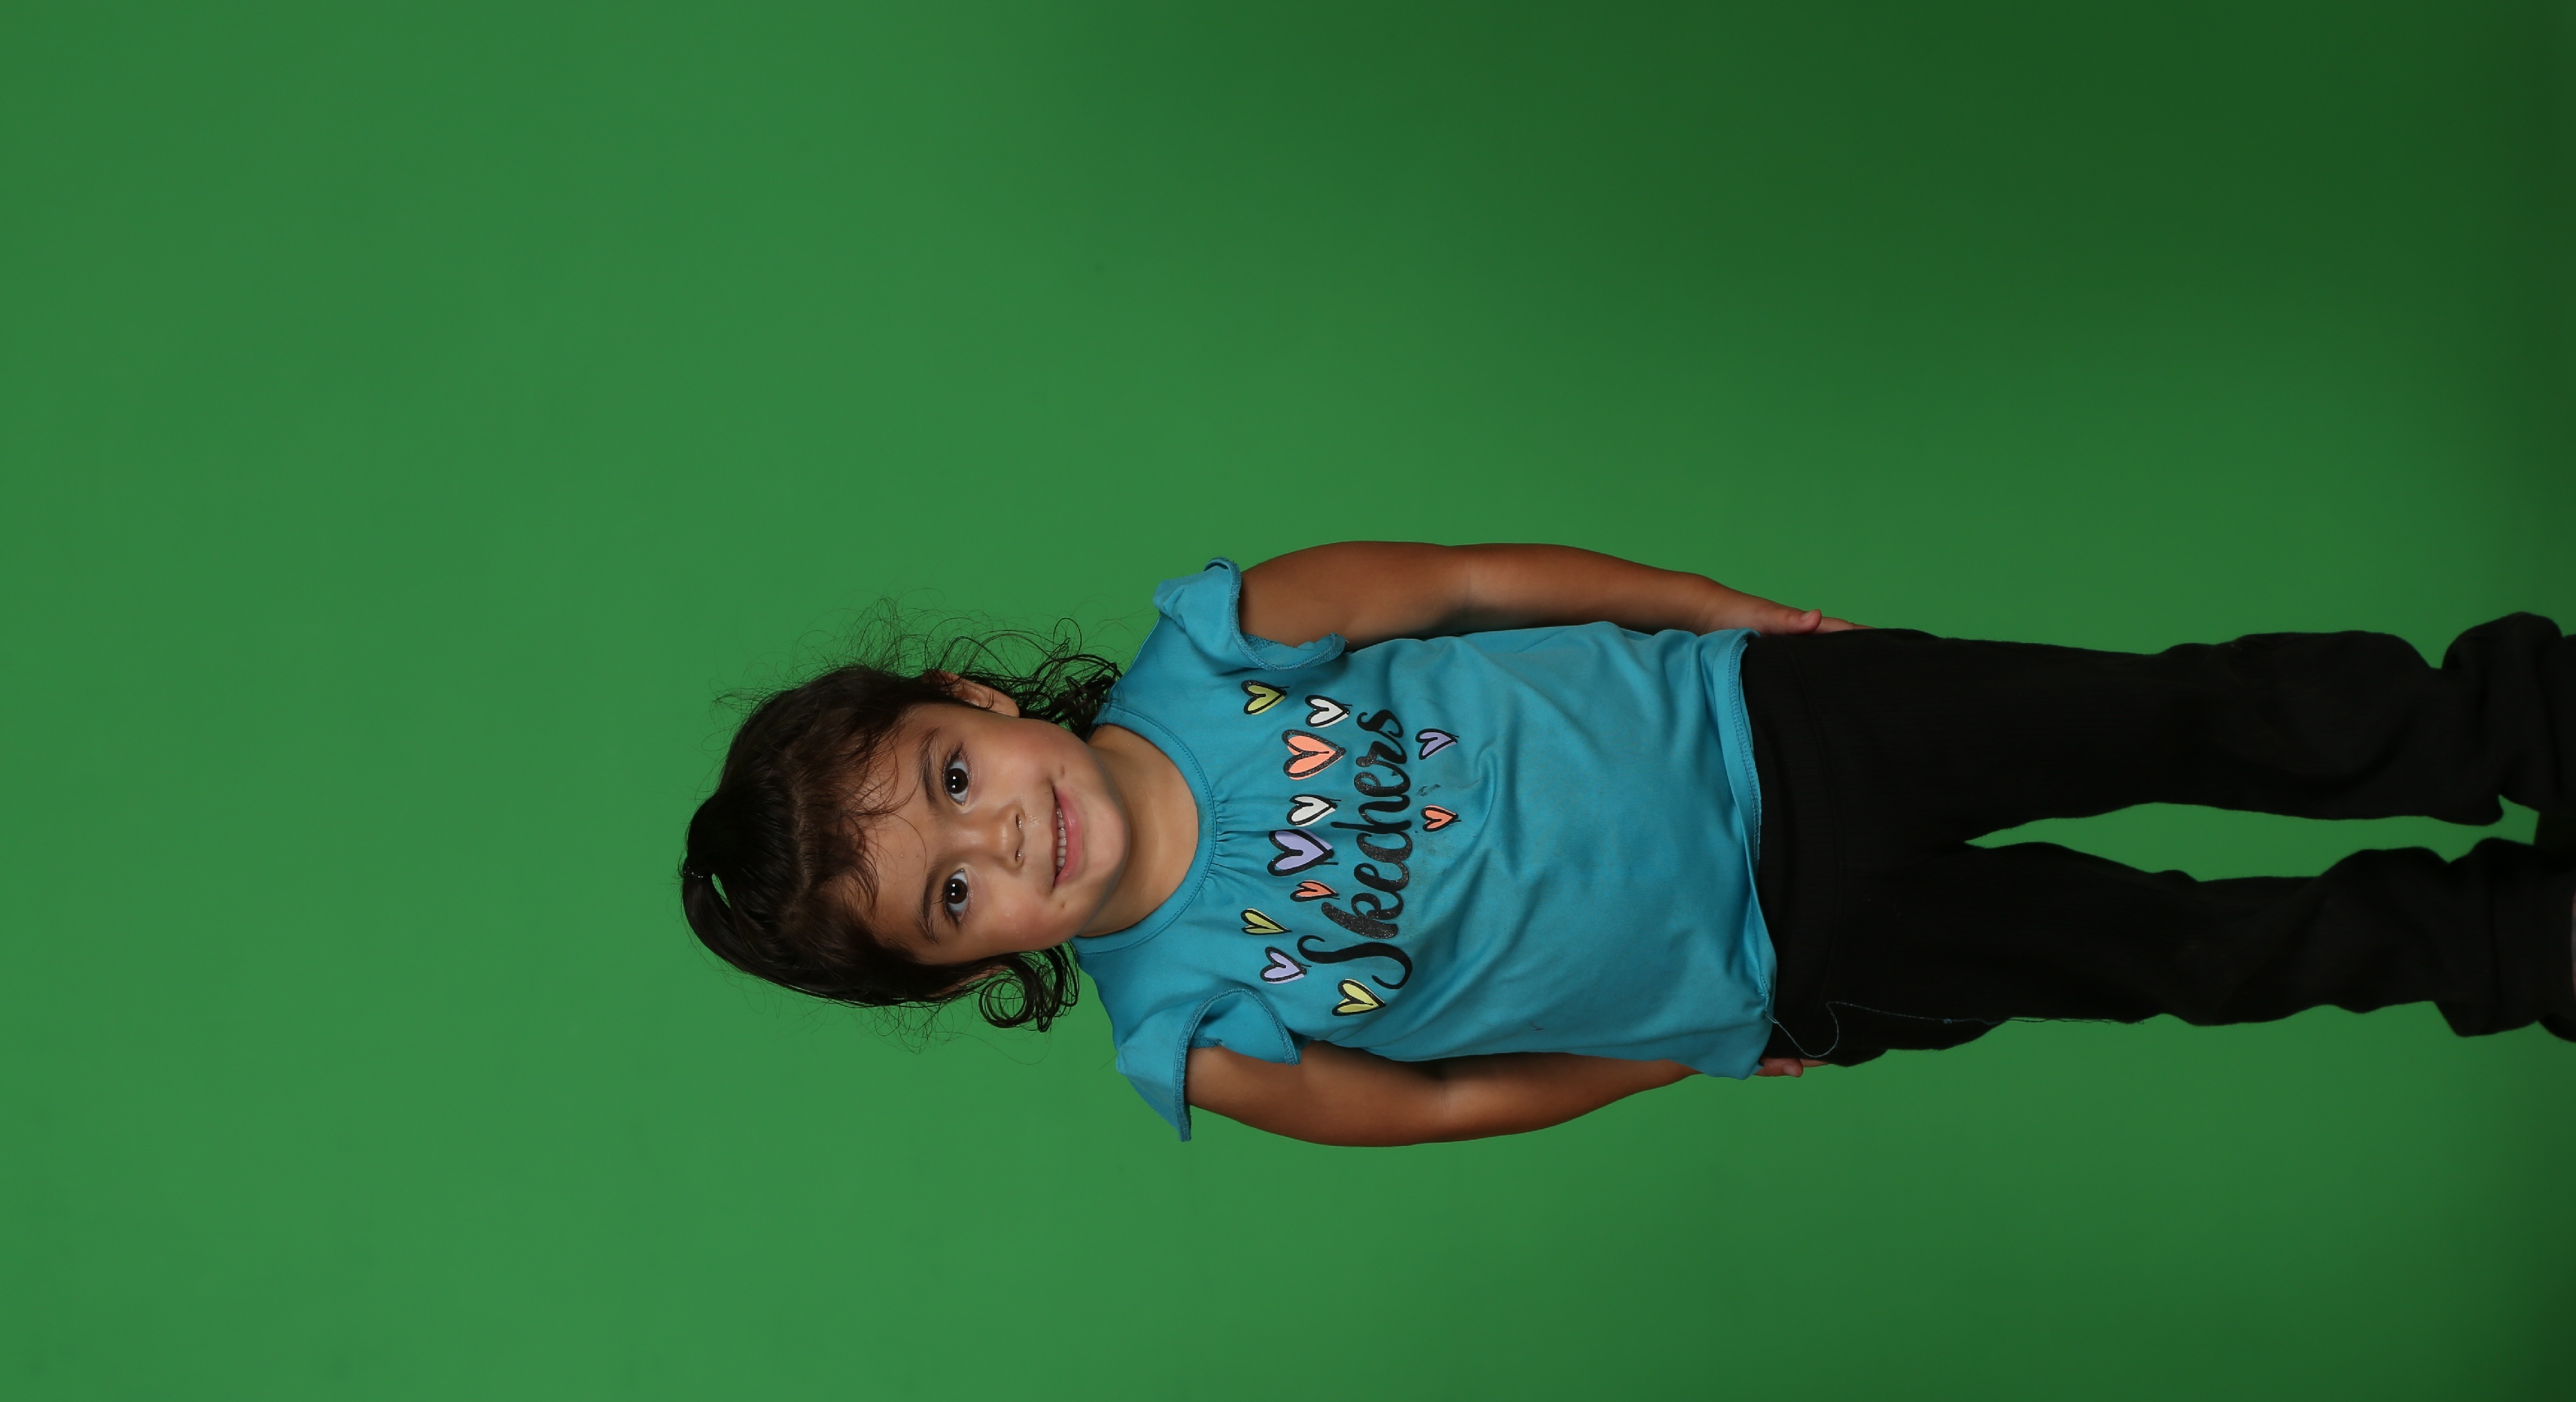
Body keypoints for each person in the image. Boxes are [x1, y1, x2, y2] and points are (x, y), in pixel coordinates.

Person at [678, 543, 2576, 1145]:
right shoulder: (1189, 1028)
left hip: (1786, 723)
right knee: (2170, 955)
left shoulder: (1220, 641)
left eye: (951, 776)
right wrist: (1696, 1045)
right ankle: (2510, 943)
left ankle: (2511, 723)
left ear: (973, 700)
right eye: (951, 895)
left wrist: (1727, 618)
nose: (1002, 835)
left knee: (2169, 715)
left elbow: (1477, 579)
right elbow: (1441, 1103)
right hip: (1796, 961)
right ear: (975, 965)